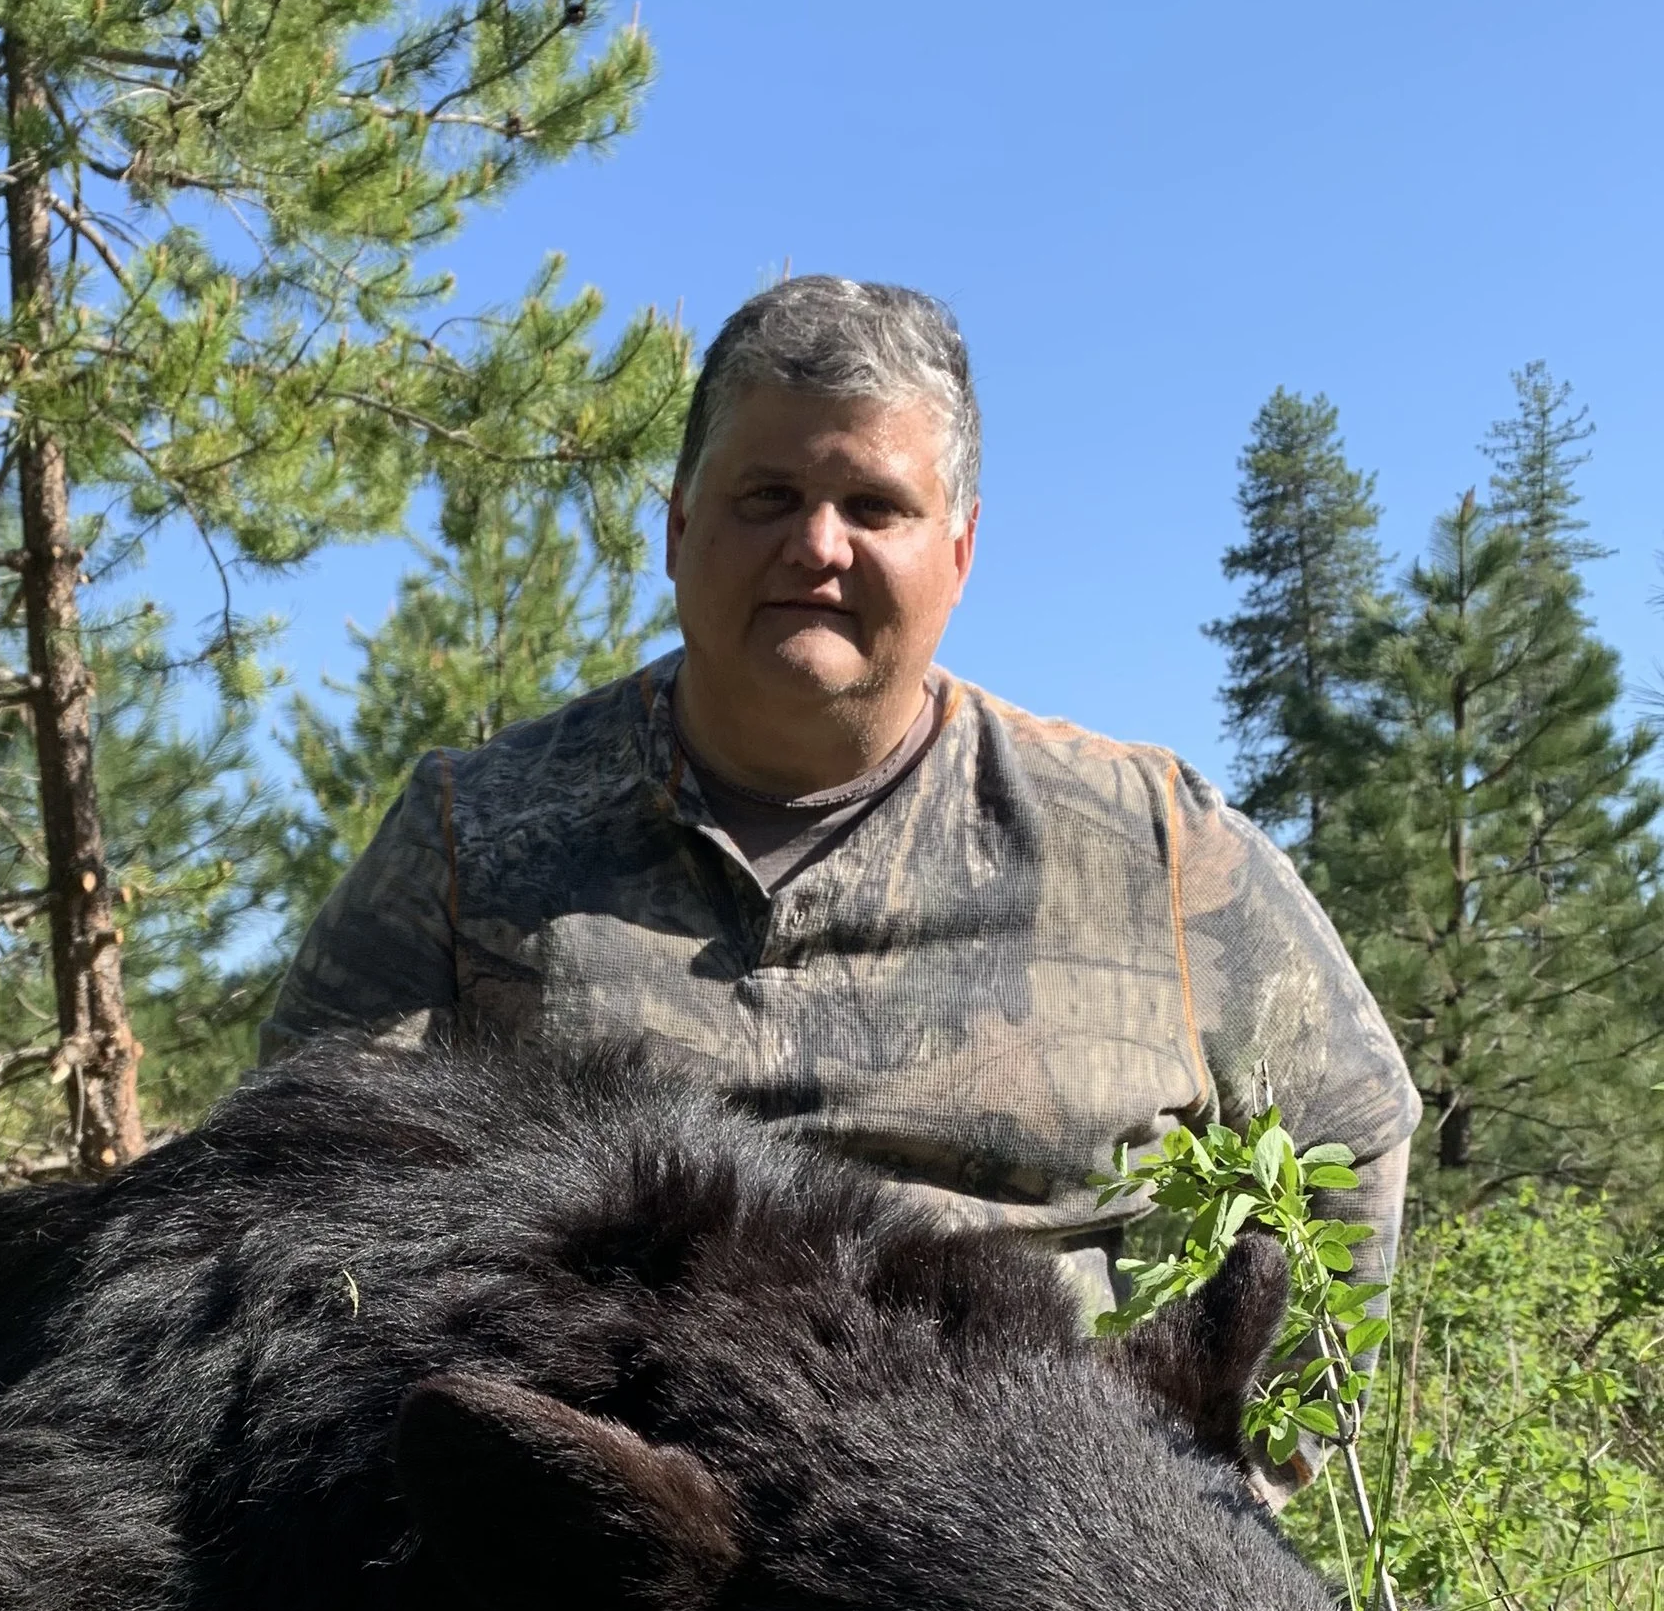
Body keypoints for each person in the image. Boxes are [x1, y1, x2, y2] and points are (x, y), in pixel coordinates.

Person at [261, 274, 1418, 1325]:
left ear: (958, 555)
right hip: (595, 1515)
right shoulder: (476, 831)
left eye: (873, 506)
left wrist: (1242, 1460)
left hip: (1017, 1531)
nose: (816, 546)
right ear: (676, 529)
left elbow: (1351, 1124)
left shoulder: (1145, 839)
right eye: (766, 496)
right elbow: (294, 1170)